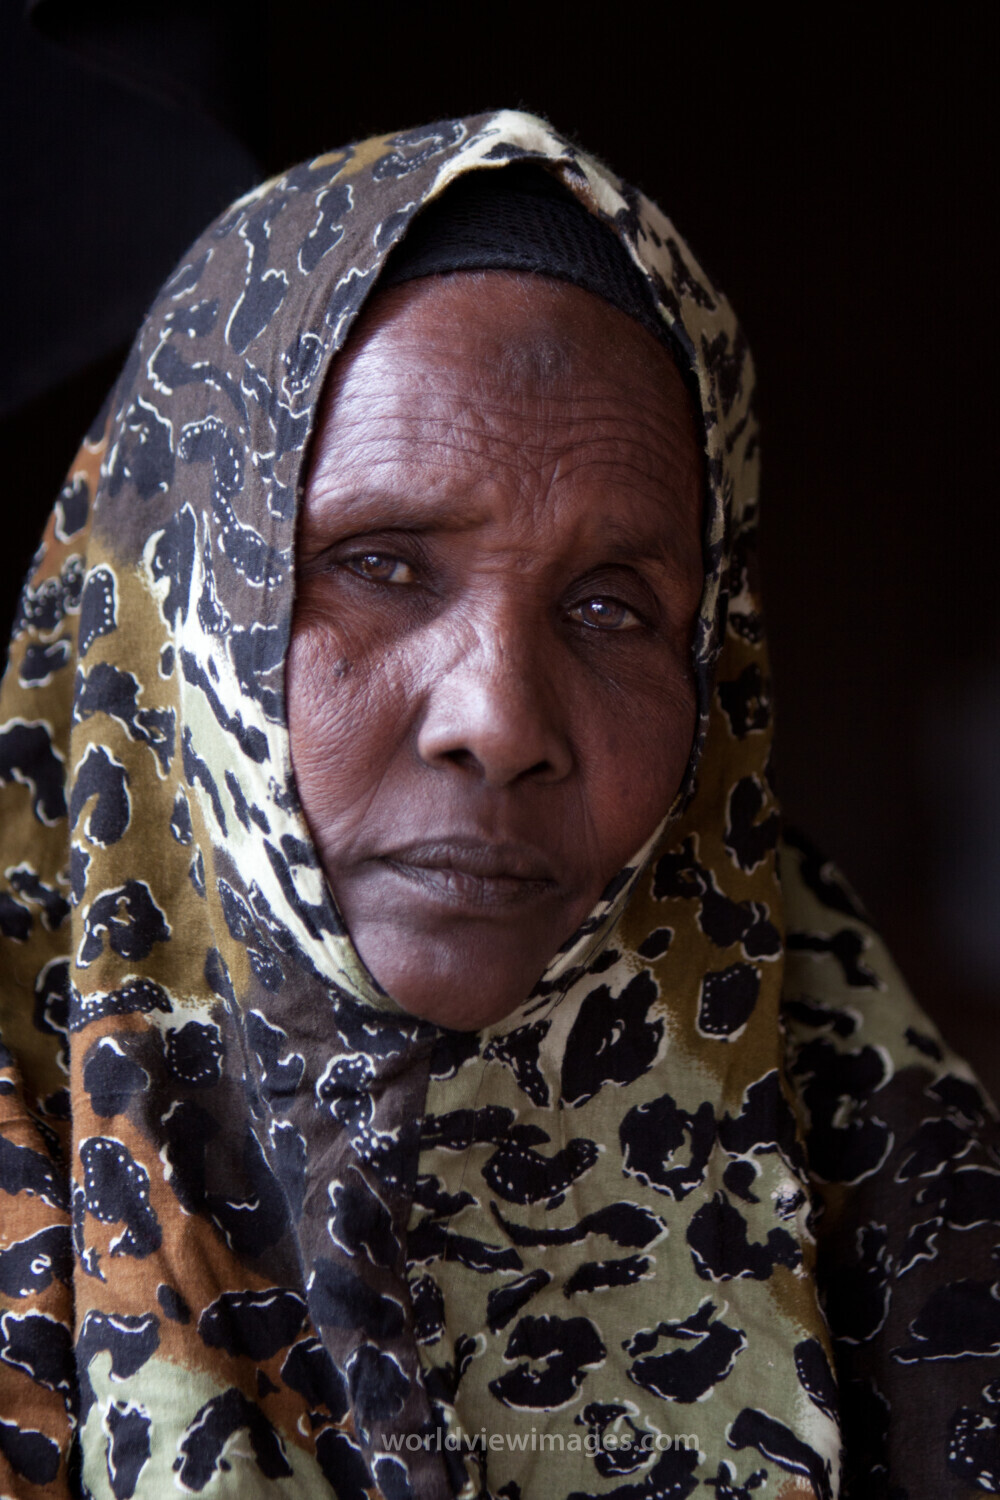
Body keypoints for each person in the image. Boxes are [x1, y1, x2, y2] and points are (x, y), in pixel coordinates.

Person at [0, 109, 996, 1500]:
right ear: (169, 612)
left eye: (612, 607)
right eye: (383, 564)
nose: (504, 723)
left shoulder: (904, 1231)